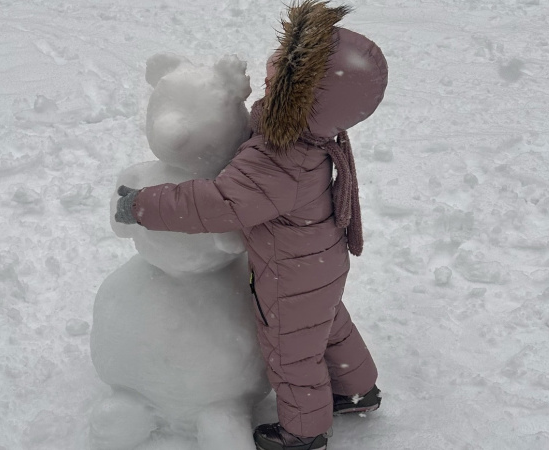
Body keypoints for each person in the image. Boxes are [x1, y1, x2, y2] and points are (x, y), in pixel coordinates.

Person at [115, 1, 388, 448]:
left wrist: (143, 204)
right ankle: (358, 389)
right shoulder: (312, 134)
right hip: (320, 260)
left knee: (292, 352)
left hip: (288, 272)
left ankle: (304, 432)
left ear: (301, 97)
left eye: (287, 68)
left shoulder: (277, 159)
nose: (275, 59)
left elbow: (217, 203)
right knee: (327, 325)